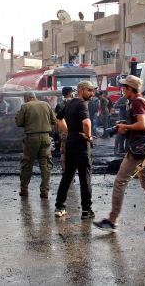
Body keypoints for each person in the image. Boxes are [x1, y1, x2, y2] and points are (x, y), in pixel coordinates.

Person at [93, 75, 145, 233]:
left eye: (124, 87)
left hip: (138, 150)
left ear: (129, 89)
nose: (122, 90)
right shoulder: (140, 101)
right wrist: (125, 125)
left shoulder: (137, 102)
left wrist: (126, 128)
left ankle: (112, 220)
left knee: (120, 181)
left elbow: (142, 124)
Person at [55, 81, 96, 219]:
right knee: (85, 178)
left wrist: (68, 131)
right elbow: (86, 122)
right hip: (81, 146)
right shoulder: (82, 104)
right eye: (89, 90)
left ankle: (59, 207)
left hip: (70, 144)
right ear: (81, 90)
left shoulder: (70, 103)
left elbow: (58, 118)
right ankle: (86, 210)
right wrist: (89, 136)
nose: (92, 93)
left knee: (67, 176)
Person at [15, 92, 57, 198]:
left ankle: (24, 190)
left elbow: (19, 122)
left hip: (31, 138)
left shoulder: (25, 106)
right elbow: (54, 120)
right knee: (46, 164)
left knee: (27, 164)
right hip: (46, 137)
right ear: (34, 97)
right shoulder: (46, 104)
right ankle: (44, 191)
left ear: (27, 98)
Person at [54, 87, 74, 170]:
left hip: (63, 131)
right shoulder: (75, 103)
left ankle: (65, 170)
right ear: (70, 93)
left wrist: (56, 133)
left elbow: (56, 120)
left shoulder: (59, 105)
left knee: (63, 152)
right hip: (73, 131)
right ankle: (70, 172)